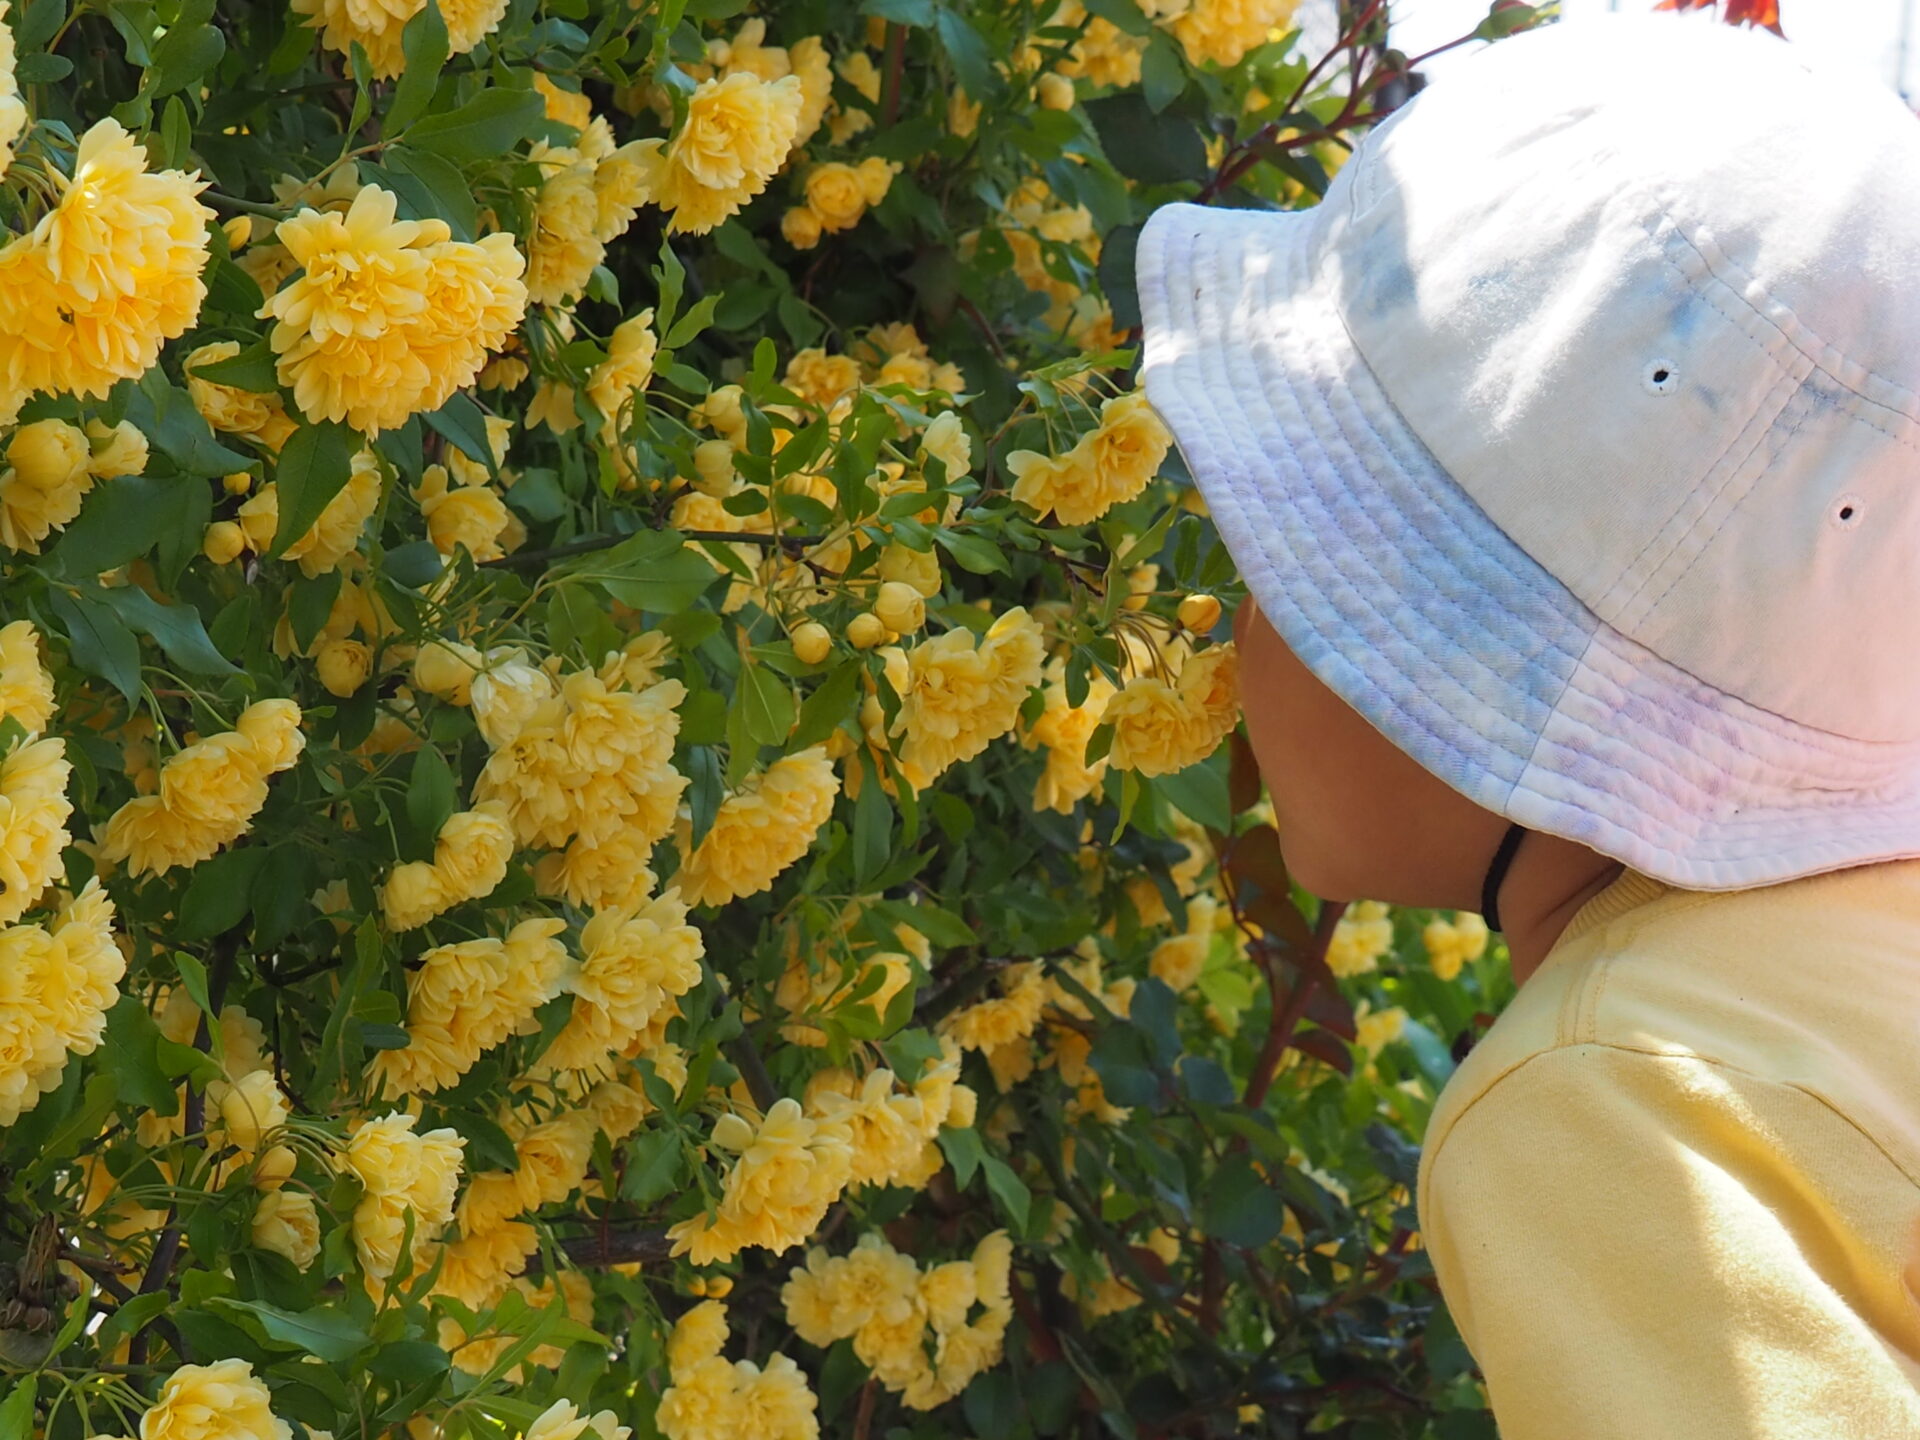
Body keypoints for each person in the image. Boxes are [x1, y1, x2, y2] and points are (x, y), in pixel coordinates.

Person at [1134, 11, 1920, 1437]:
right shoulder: (1855, 967)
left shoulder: (1624, 1097)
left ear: (1497, 683)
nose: (1232, 601)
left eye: (1297, 544)